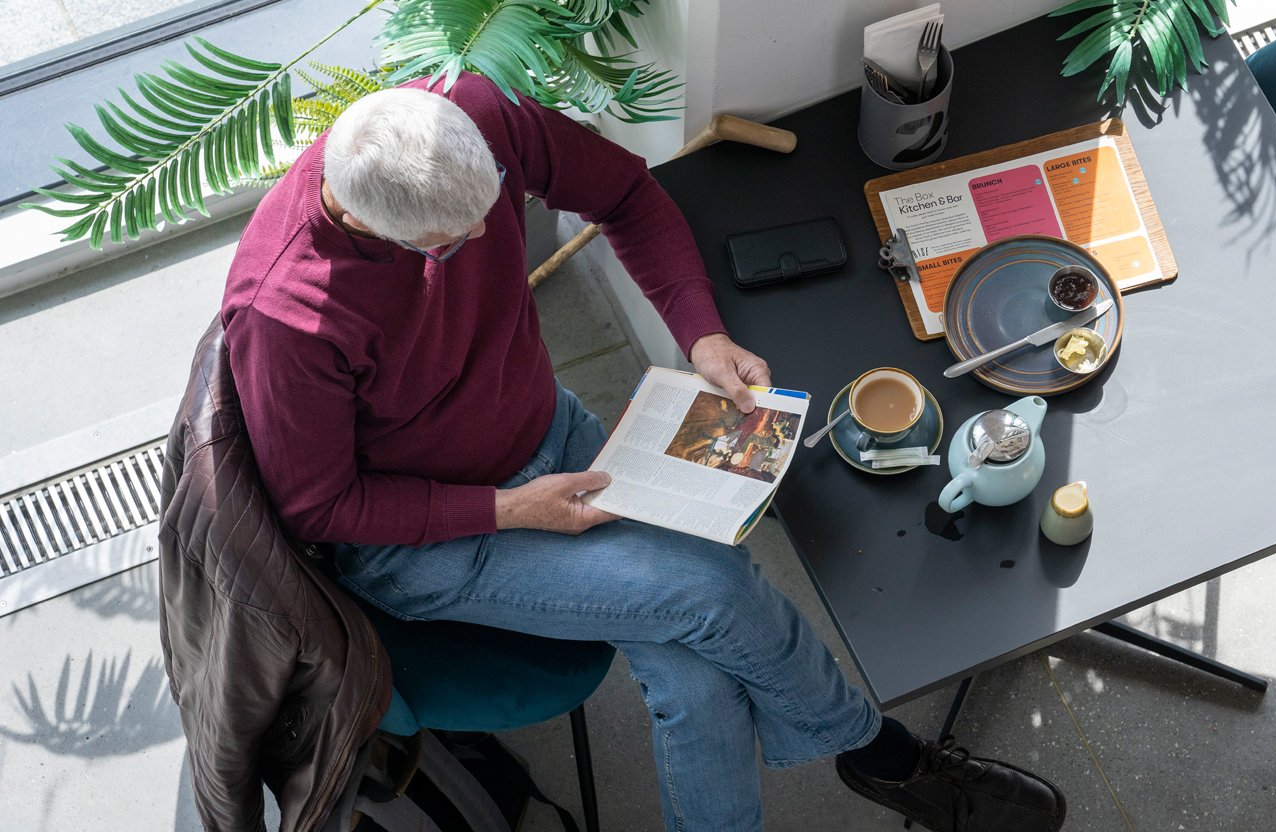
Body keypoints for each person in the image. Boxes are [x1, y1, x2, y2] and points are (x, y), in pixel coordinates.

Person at [220, 76, 1066, 832]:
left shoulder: (472, 110)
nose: (487, 239)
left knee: (697, 681)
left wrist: (698, 332)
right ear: (365, 222)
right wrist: (513, 510)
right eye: (454, 242)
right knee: (718, 591)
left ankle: (861, 771)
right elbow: (317, 507)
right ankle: (883, 756)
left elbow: (625, 192)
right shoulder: (287, 318)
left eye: (495, 211)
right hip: (434, 540)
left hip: (551, 436)